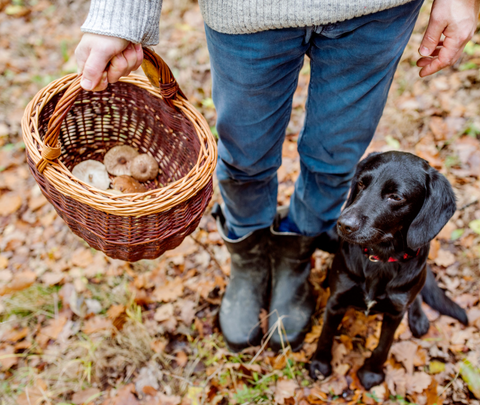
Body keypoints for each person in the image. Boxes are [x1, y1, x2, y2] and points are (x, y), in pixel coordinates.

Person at [75, 0, 480, 352]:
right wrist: (120, 16)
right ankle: (249, 259)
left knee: (335, 160)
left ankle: (296, 256)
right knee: (245, 157)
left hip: (376, 12)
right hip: (247, 12)